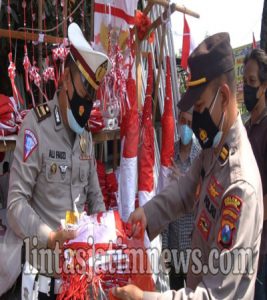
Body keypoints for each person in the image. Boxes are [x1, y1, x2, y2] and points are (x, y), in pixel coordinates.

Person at [112, 32, 263, 299]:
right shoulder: (214, 151)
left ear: (224, 97)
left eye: (201, 106)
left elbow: (213, 296)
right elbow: (184, 190)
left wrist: (144, 298)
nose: (195, 119)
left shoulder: (240, 186)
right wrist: (148, 213)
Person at [0, 22, 111, 299]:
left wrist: (104, 232)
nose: (87, 100)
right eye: (84, 89)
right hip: (41, 280)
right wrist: (50, 238)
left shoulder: (85, 136)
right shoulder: (35, 126)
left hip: (77, 280)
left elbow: (95, 198)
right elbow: (15, 204)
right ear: (64, 80)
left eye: (92, 94)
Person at [162, 109, 201, 290]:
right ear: (177, 121)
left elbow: (203, 204)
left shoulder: (201, 157)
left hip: (193, 249)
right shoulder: (169, 155)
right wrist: (164, 248)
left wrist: (183, 182)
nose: (186, 126)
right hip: (174, 246)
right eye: (183, 121)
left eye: (190, 123)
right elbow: (164, 203)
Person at [243, 48, 267, 300]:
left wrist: (246, 214)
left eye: (251, 82)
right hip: (245, 246)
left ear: (264, 87)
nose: (246, 88)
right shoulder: (246, 128)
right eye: (244, 82)